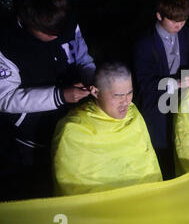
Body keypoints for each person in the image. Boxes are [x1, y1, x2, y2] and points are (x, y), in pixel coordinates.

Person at [0, 0, 96, 201]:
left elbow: (83, 57)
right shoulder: (7, 43)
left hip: (72, 129)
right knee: (40, 193)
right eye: (50, 33)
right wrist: (59, 96)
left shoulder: (66, 22)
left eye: (61, 31)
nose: (58, 36)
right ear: (25, 19)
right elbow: (5, 99)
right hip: (32, 140)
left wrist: (92, 76)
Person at [52, 62, 162, 196]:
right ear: (95, 92)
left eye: (129, 93)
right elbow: (73, 191)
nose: (126, 102)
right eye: (118, 96)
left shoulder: (132, 113)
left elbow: (150, 167)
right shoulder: (73, 130)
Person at [133, 0, 189, 180]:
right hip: (156, 104)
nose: (179, 25)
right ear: (159, 15)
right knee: (161, 149)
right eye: (173, 21)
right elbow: (145, 84)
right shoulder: (145, 43)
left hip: (180, 100)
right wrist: (177, 83)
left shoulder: (186, 34)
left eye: (183, 20)